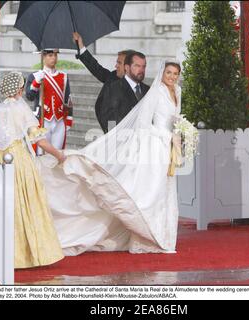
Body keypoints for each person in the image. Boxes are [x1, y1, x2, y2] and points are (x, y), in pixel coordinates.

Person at [36, 60, 182, 255]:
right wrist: (167, 136)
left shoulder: (178, 92)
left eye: (175, 74)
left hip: (169, 149)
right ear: (162, 73)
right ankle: (146, 237)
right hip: (154, 146)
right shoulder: (156, 92)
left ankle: (162, 235)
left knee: (165, 190)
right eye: (169, 73)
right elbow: (144, 123)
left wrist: (181, 133)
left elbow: (176, 119)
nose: (172, 77)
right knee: (151, 192)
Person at [0, 72, 65, 269]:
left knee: (6, 206)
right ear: (18, 89)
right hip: (19, 160)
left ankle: (6, 253)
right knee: (27, 203)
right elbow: (39, 140)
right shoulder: (20, 107)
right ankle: (30, 255)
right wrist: (58, 154)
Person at [73, 32, 135, 132]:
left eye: (119, 63)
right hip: (110, 128)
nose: (116, 66)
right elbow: (97, 69)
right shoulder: (113, 76)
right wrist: (81, 46)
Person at [25, 48, 74, 155]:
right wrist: (36, 82)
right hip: (43, 120)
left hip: (59, 120)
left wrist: (69, 118)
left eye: (55, 55)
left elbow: (68, 99)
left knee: (57, 154)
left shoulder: (63, 76)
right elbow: (29, 97)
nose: (54, 58)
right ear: (43, 56)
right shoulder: (35, 76)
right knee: (41, 154)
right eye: (50, 55)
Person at [99, 51, 150, 132]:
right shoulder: (114, 88)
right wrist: (116, 141)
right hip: (122, 140)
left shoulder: (148, 90)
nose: (141, 70)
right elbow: (109, 120)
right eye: (137, 66)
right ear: (127, 67)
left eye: (144, 66)